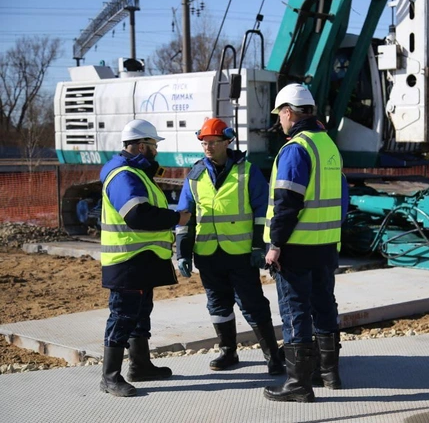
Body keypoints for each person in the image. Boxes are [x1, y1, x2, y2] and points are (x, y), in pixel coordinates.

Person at [175, 118, 284, 376]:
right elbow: (185, 217)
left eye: (213, 142)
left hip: (241, 254)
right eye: (204, 143)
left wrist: (260, 246)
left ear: (228, 141)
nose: (208, 147)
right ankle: (228, 351)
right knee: (218, 305)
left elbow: (263, 212)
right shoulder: (195, 175)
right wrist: (182, 252)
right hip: (208, 254)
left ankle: (272, 356)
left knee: (253, 304)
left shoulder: (247, 171)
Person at [262, 83, 349, 403]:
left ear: (288, 112)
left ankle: (298, 383)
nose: (280, 123)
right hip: (325, 244)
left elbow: (287, 202)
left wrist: (275, 244)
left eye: (280, 116)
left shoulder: (296, 149)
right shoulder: (328, 145)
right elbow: (341, 199)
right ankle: (329, 373)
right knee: (324, 304)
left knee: (295, 310)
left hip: (296, 247)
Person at [100, 119, 191, 397]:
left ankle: (140, 365)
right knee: (123, 315)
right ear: (142, 146)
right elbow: (136, 215)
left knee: (139, 314)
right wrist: (177, 218)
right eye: (154, 145)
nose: (156, 151)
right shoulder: (123, 175)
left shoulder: (136, 173)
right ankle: (109, 377)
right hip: (128, 259)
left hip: (141, 258)